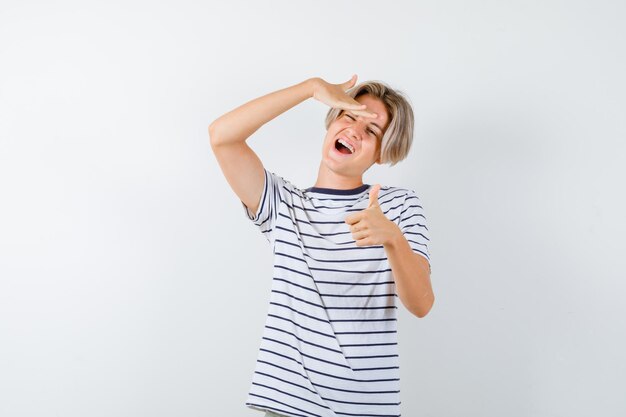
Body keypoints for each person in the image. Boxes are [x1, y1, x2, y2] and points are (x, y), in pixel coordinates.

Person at [209, 75, 434, 417]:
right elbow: (221, 137)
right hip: (288, 405)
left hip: (367, 408)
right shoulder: (284, 205)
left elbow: (421, 304)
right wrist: (310, 88)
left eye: (371, 131)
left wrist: (392, 239)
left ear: (382, 153)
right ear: (332, 121)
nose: (355, 131)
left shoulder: (398, 206)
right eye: (349, 116)